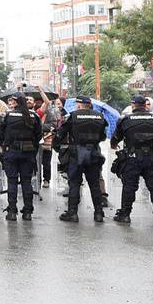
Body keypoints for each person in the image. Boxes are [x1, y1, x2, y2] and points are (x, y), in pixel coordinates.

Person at [111, 93, 153, 224]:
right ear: (145, 105)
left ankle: (125, 214)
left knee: (129, 186)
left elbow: (116, 138)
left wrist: (113, 145)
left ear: (133, 105)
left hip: (132, 158)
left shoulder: (125, 119)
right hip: (152, 157)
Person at [57, 95, 110, 223]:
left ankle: (72, 213)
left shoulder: (73, 116)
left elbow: (61, 134)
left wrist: (58, 146)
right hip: (94, 153)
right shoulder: (100, 117)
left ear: (79, 105)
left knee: (74, 183)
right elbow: (103, 136)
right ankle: (98, 213)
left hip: (76, 154)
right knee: (94, 184)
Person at [0, 93, 45, 221]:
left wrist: (5, 146)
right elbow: (38, 135)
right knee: (26, 181)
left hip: (11, 152)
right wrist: (31, 147)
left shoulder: (7, 116)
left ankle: (12, 211)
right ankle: (28, 211)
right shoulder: (33, 116)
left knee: (12, 181)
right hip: (28, 153)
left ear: (16, 102)